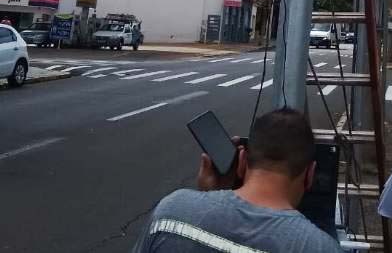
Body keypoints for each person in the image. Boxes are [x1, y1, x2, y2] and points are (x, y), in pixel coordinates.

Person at [132, 108, 341, 252]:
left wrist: (210, 197)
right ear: (310, 174)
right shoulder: (320, 247)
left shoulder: (170, 212)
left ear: (241, 161)